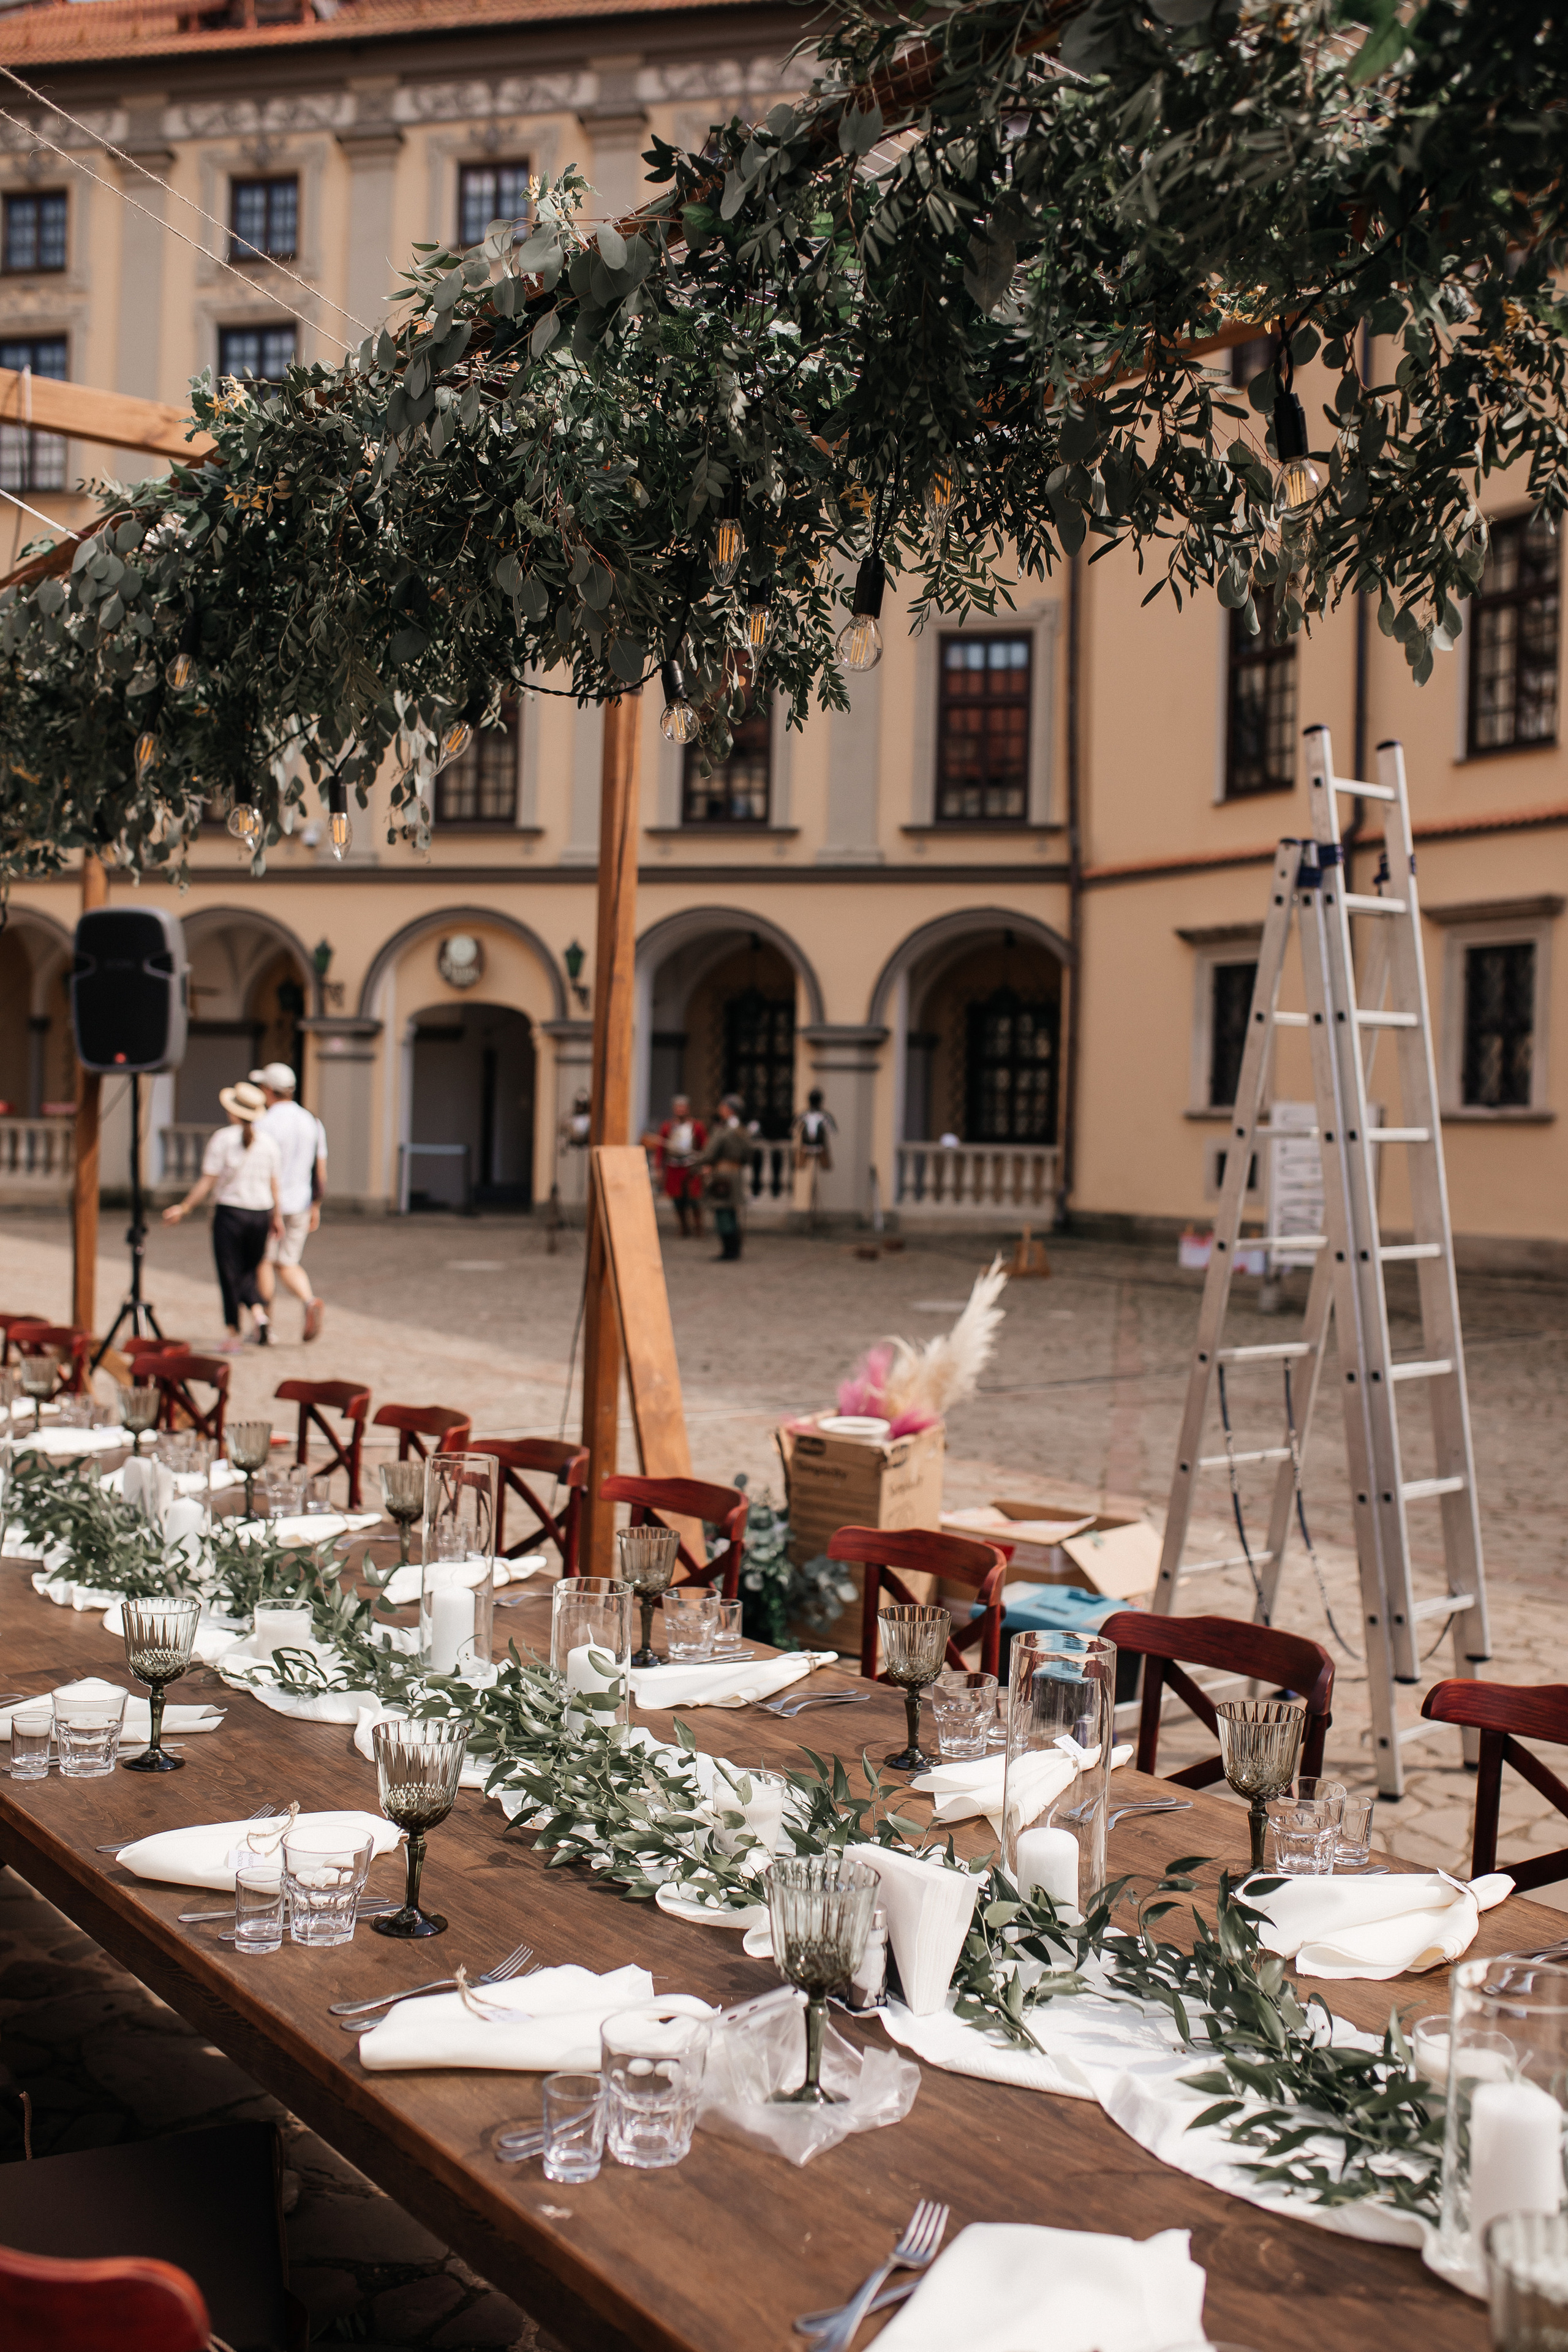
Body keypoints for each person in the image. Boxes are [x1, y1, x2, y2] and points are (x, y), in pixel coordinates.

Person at [162, 1079, 282, 1349]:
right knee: (250, 1271)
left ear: (232, 1111)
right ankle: (260, 1314)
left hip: (232, 1214)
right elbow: (275, 1184)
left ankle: (233, 1333)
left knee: (230, 1273)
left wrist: (185, 1207)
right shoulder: (269, 1143)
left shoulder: (224, 1139)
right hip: (261, 1213)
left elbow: (208, 1181)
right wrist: (278, 1217)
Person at [249, 1061, 327, 1342]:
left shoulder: (264, 1124)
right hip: (302, 1202)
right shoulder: (311, 1121)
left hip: (272, 1204)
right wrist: (316, 1205)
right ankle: (308, 1300)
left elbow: (261, 1169)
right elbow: (320, 1170)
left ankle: (264, 1325)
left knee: (265, 1262)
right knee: (289, 1262)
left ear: (269, 1090)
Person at [698, 1095, 753, 1261]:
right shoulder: (743, 1130)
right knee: (731, 1212)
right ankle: (734, 1249)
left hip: (722, 1175)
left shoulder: (723, 1130)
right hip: (735, 1174)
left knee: (723, 1212)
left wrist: (700, 1163)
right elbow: (748, 1154)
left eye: (722, 1107)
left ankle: (729, 1251)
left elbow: (710, 1153)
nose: (720, 1110)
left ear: (729, 1110)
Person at [655, 1093, 707, 1236]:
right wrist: (659, 1167)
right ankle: (684, 1227)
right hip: (674, 1167)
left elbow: (704, 1146)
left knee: (695, 1199)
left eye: (683, 1107)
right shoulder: (667, 1127)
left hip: (692, 1165)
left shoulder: (697, 1127)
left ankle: (698, 1227)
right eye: (678, 1107)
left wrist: (705, 1164)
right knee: (678, 1200)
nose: (681, 1110)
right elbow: (661, 1149)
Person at [791, 1087, 837, 1223]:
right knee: (801, 1166)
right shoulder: (820, 1116)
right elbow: (832, 1130)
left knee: (824, 1166)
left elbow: (794, 1129)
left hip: (818, 1148)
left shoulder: (807, 1115)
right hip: (808, 1147)